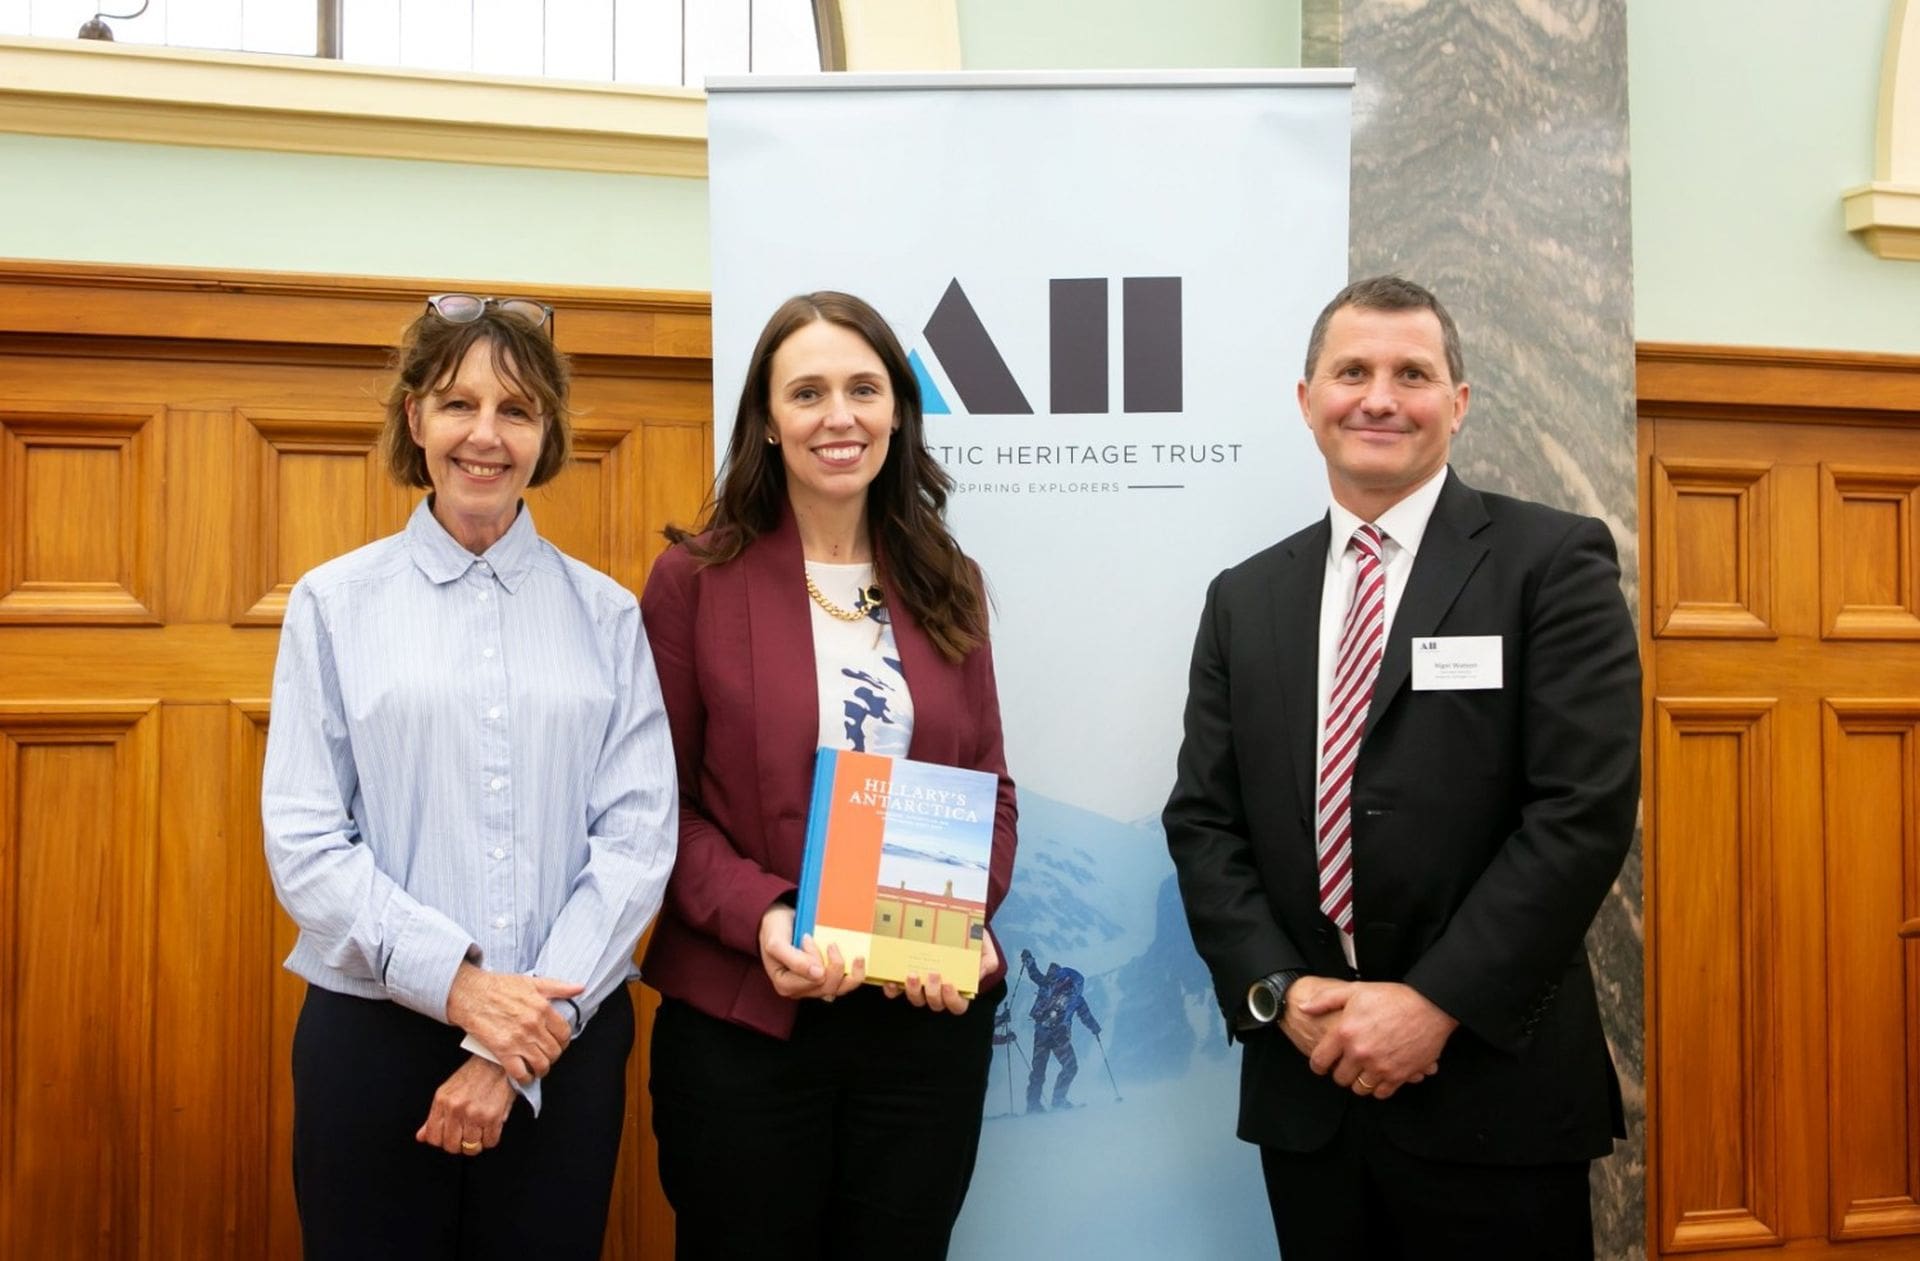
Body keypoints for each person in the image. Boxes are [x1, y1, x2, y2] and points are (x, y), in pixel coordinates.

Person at [1163, 276, 1640, 1259]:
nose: (1378, 396)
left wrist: (1433, 1005)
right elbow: (1204, 820)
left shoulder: (1551, 562)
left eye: (1411, 373)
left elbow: (1580, 810)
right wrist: (1279, 995)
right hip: (1311, 1087)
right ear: (1308, 401)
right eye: (1352, 372)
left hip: (1491, 1093)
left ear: (1457, 404)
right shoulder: (1245, 597)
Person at [261, 293, 678, 1260]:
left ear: (546, 434)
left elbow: (637, 841)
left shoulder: (609, 617)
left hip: (558, 1049)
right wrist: (458, 985)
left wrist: (509, 1039)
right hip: (372, 1041)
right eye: (458, 403)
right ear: (415, 418)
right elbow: (306, 843)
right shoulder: (334, 604)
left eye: (517, 410)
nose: (485, 435)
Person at [640, 290, 1018, 1260]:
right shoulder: (696, 583)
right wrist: (768, 915)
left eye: (864, 387)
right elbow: (657, 808)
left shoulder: (949, 577)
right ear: (767, 419)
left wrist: (956, 918)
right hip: (748, 1022)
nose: (838, 415)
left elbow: (992, 788)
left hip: (918, 1027)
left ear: (899, 408)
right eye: (806, 392)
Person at [1019, 949, 1101, 1113]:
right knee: (1070, 1066)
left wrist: (1028, 960)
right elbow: (1085, 1016)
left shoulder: (1046, 984)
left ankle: (1033, 1105)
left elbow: (1034, 974)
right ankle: (1058, 1100)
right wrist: (1095, 1028)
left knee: (1038, 1070)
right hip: (1059, 1037)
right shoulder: (1076, 997)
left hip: (1041, 1033)